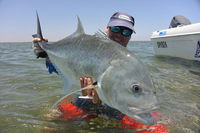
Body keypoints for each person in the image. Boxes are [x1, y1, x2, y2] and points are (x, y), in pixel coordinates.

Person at [33, 12, 168, 133]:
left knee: (158, 130)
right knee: (49, 126)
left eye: (126, 32)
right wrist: (44, 53)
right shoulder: (87, 47)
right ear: (107, 29)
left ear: (130, 36)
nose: (120, 35)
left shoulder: (130, 64)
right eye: (116, 29)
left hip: (115, 108)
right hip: (85, 103)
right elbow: (63, 67)